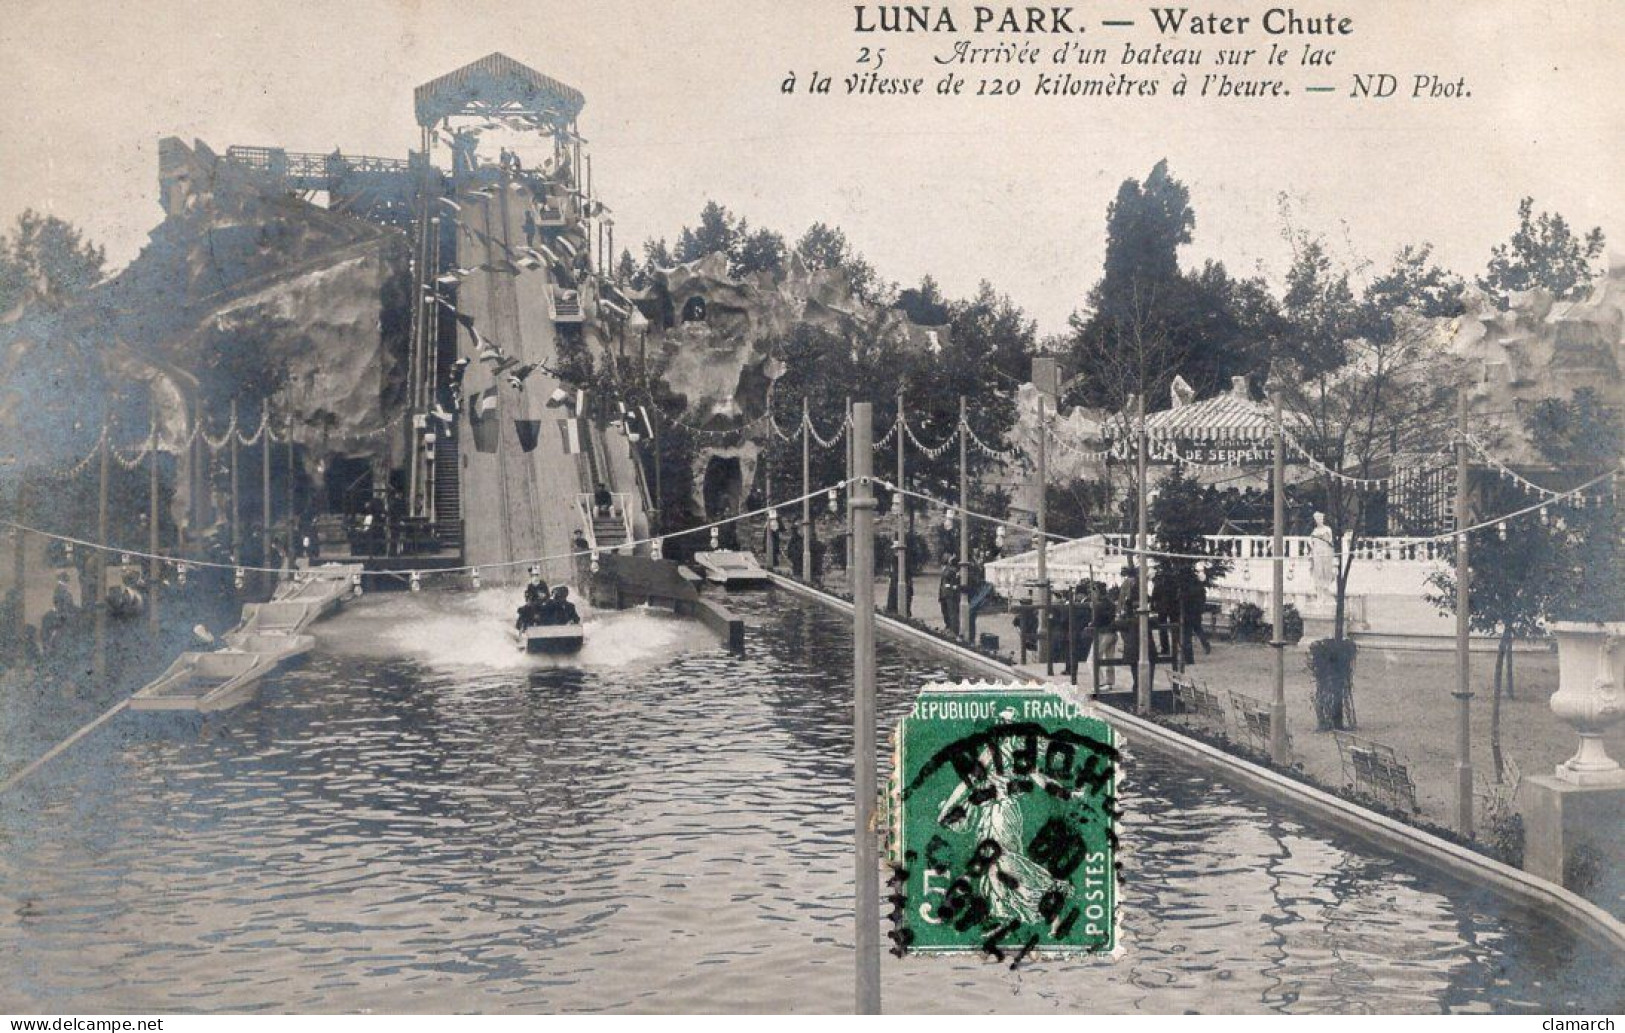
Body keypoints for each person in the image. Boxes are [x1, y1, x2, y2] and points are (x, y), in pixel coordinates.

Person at [938, 556, 961, 636]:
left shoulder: (950, 571)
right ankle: (949, 628)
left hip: (949, 595)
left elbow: (950, 584)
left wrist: (949, 587)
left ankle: (953, 630)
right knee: (947, 612)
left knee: (951, 613)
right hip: (945, 595)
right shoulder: (948, 571)